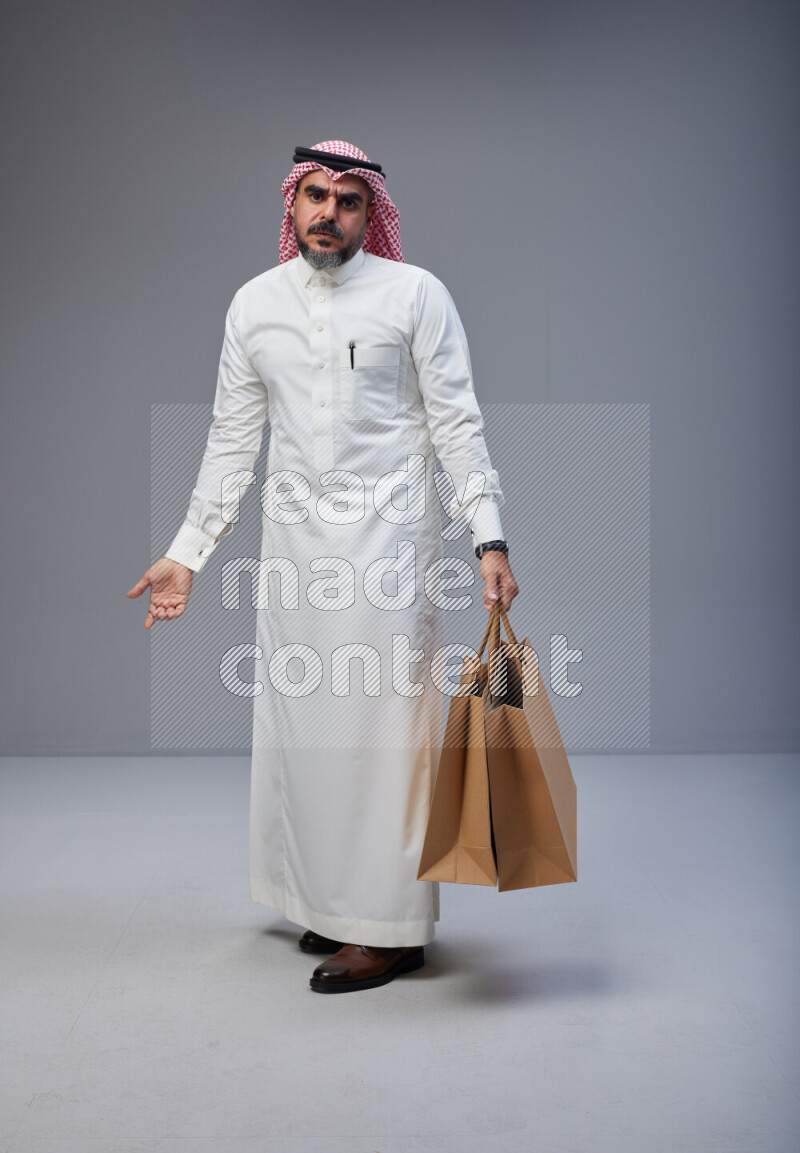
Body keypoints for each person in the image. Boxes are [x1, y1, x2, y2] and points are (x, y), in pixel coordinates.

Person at [127, 140, 518, 993]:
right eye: (314, 196)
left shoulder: (415, 295)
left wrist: (489, 537)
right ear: (291, 203)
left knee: (383, 743)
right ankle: (329, 903)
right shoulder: (255, 305)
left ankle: (387, 929)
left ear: (370, 210)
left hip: (388, 555)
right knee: (305, 737)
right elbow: (233, 440)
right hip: (295, 560)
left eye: (347, 200)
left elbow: (458, 423)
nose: (328, 214)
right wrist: (187, 555)